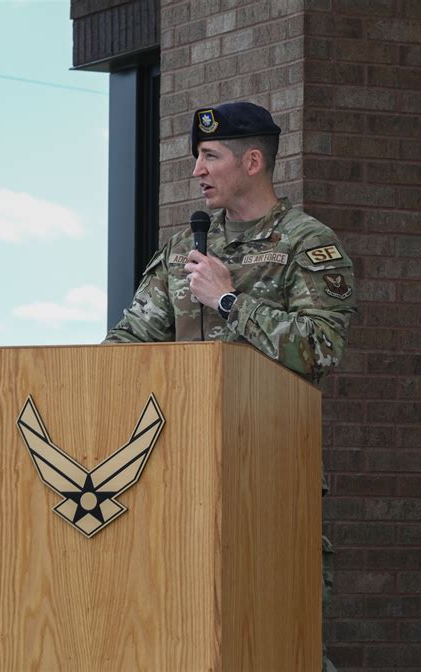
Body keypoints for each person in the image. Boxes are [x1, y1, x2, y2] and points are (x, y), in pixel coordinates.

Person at [104, 102, 357, 671]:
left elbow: (321, 346)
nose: (197, 170)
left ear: (252, 161)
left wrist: (228, 301)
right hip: (174, 476)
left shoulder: (306, 245)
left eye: (210, 156)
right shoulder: (184, 249)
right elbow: (128, 343)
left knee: (276, 640)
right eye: (197, 157)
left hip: (269, 472)